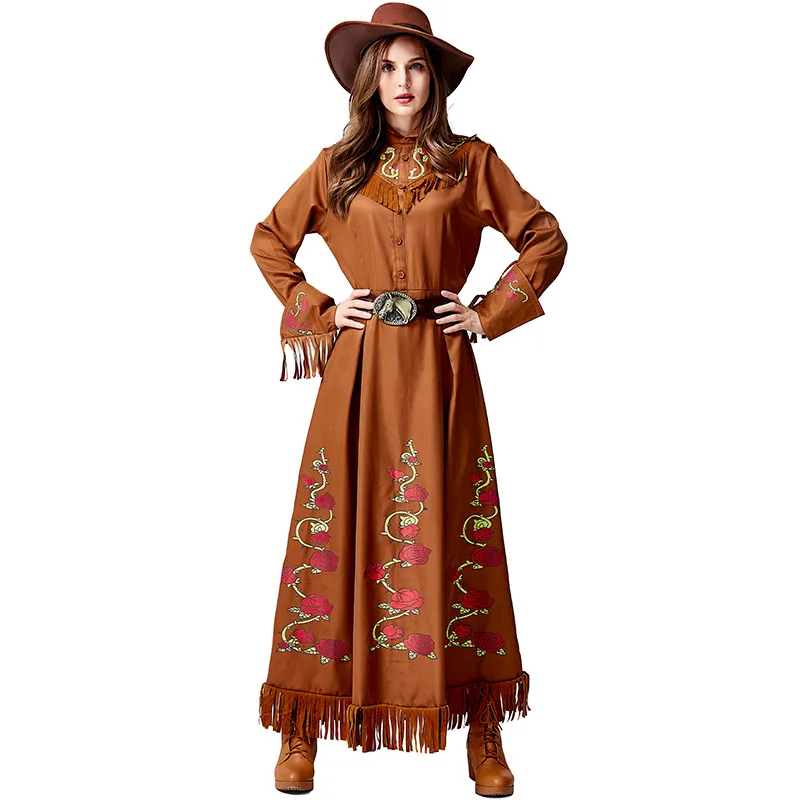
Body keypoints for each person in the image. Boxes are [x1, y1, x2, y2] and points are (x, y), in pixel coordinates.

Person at [249, 3, 568, 795]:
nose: (402, 81)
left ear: (435, 79)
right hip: (356, 375)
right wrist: (321, 311)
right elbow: (269, 239)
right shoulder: (336, 166)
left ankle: (483, 725)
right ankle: (303, 723)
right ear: (369, 79)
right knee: (336, 530)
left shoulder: (471, 163)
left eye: (416, 66)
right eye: (387, 67)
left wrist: (488, 312)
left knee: (454, 529)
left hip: (440, 369)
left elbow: (545, 236)